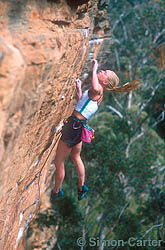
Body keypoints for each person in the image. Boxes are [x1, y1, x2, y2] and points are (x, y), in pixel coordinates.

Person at [50, 59, 139, 202]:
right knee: (75, 157)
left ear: (105, 82)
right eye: (102, 70)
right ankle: (81, 186)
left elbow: (95, 88)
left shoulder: (98, 90)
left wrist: (94, 68)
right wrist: (79, 90)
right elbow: (83, 104)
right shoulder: (98, 95)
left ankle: (56, 190)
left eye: (105, 73)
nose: (101, 71)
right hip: (79, 127)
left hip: (74, 127)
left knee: (59, 161)